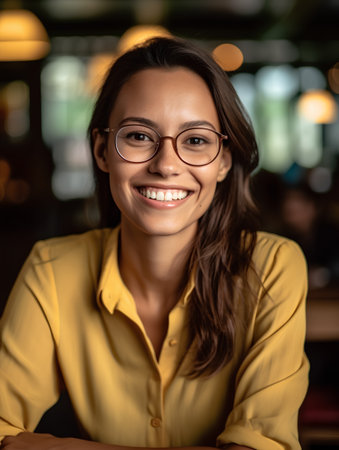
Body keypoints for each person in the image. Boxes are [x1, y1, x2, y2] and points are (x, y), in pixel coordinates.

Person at [0, 37, 309, 450]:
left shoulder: (272, 267)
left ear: (223, 161)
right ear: (101, 151)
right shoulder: (52, 270)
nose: (165, 165)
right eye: (139, 136)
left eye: (196, 140)